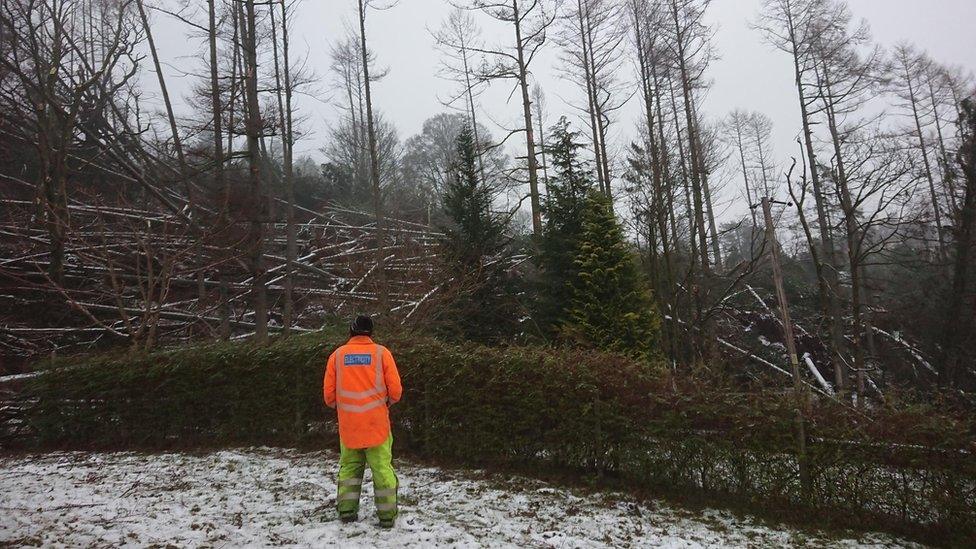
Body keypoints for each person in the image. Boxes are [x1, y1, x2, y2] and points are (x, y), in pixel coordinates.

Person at [323, 315, 402, 528]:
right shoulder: (382, 354)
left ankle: (347, 511)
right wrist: (384, 403)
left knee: (349, 468)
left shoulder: (337, 356)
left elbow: (329, 397)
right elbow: (395, 392)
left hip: (349, 427)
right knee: (382, 469)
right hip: (377, 426)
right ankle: (387, 516)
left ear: (351, 331)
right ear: (371, 332)